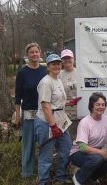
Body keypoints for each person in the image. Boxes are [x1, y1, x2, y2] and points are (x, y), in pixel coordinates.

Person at [34, 54, 73, 185]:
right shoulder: (46, 82)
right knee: (47, 154)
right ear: (48, 66)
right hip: (47, 122)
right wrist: (53, 126)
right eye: (53, 64)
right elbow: (46, 106)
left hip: (61, 120)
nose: (56, 65)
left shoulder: (58, 79)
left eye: (58, 63)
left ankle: (60, 177)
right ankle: (43, 181)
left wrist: (69, 102)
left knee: (67, 147)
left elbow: (57, 101)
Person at [15, 42, 47, 177]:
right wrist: (17, 116)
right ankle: (27, 173)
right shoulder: (22, 72)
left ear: (40, 53)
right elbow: (17, 96)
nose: (34, 54)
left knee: (44, 143)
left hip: (44, 113)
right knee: (28, 144)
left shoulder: (45, 71)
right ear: (27, 55)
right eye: (31, 52)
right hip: (28, 113)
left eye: (36, 52)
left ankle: (42, 170)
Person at [70, 92, 107, 185]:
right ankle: (78, 178)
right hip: (78, 153)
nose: (101, 107)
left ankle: (92, 177)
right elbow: (82, 147)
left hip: (95, 153)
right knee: (97, 158)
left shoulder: (105, 118)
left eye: (103, 105)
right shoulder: (85, 122)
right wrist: (102, 152)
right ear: (91, 106)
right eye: (97, 104)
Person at [59, 49, 81, 140]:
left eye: (69, 58)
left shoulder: (80, 72)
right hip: (64, 113)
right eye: (65, 58)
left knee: (79, 138)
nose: (67, 60)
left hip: (79, 112)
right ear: (62, 61)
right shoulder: (58, 74)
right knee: (67, 139)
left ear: (73, 59)